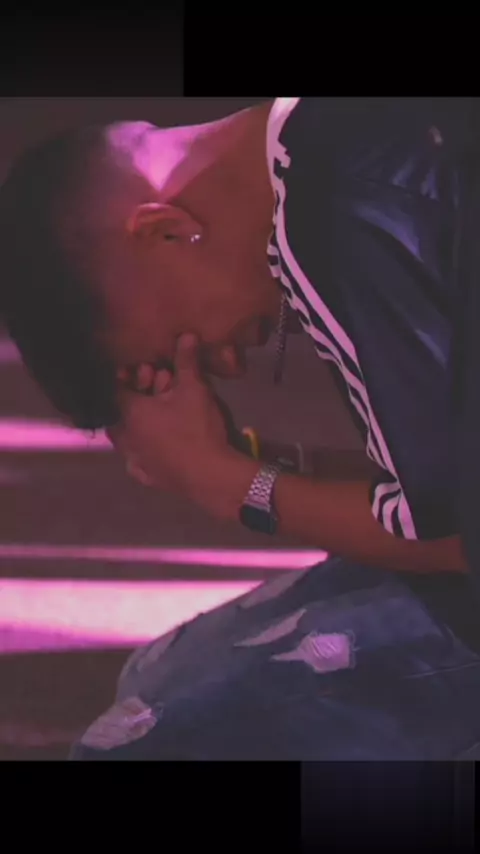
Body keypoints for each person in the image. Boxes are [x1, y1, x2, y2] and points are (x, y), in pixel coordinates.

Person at [1, 97, 480, 760]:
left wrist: (228, 483)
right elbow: (444, 486)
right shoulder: (330, 136)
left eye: (183, 343)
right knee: (158, 675)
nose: (226, 364)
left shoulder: (326, 213)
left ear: (165, 231)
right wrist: (259, 462)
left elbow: (462, 540)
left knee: (142, 746)